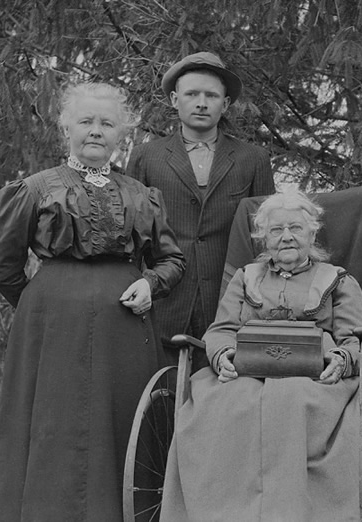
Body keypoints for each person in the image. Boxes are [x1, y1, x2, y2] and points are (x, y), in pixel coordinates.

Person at [0, 82, 186, 522]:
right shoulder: (33, 189)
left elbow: (171, 259)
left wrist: (150, 283)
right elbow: (3, 265)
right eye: (86, 121)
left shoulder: (141, 195)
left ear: (121, 134)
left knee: (123, 424)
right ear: (66, 127)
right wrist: (43, 303)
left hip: (124, 327)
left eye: (107, 124)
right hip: (50, 325)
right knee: (50, 421)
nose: (95, 131)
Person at [159, 188, 362, 522]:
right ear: (263, 238)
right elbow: (222, 328)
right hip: (245, 371)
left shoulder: (338, 280)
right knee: (224, 402)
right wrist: (223, 356)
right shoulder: (246, 278)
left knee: (291, 400)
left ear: (312, 232)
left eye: (295, 228)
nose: (286, 237)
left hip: (315, 378)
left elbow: (356, 338)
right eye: (276, 230)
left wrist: (342, 360)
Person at [126, 51, 275, 369]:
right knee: (159, 401)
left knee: (222, 404)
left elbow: (265, 237)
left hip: (230, 307)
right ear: (174, 99)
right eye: (192, 94)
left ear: (226, 104)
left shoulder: (253, 159)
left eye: (211, 95)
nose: (202, 102)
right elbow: (132, 236)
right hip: (164, 304)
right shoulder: (145, 157)